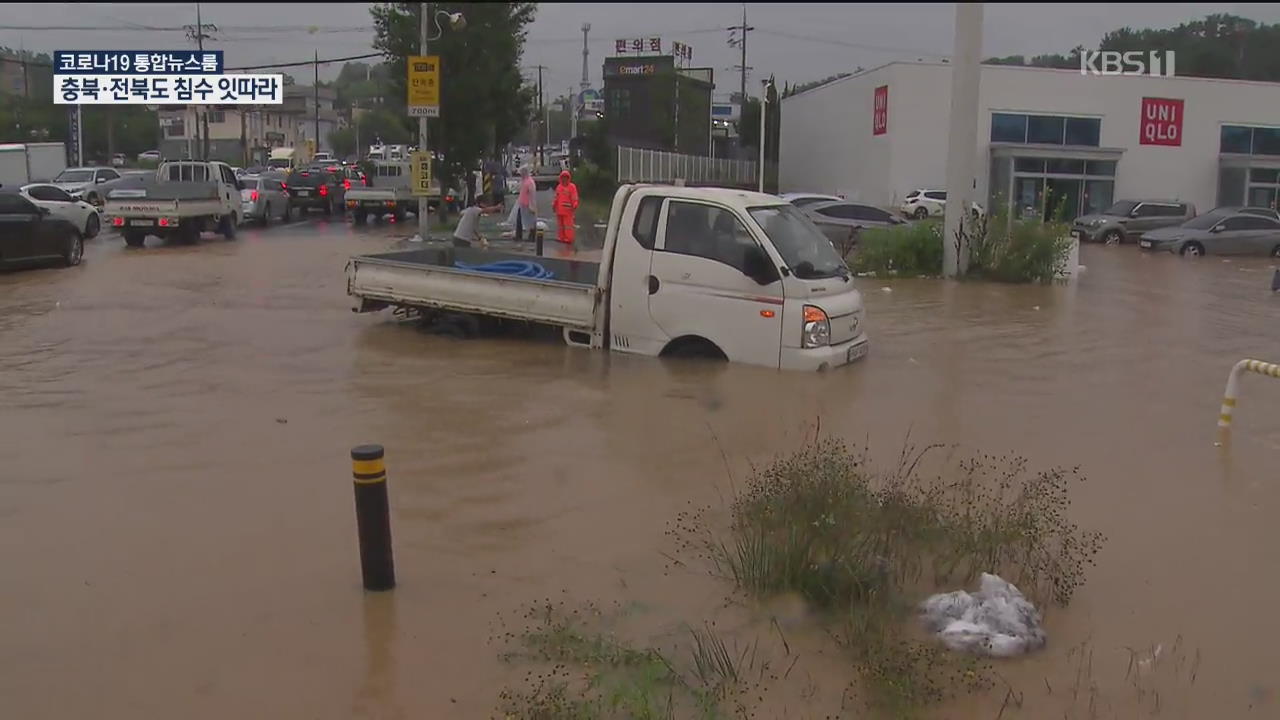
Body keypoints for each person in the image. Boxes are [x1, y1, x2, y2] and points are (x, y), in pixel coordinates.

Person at [553, 169, 579, 245]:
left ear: (568, 178)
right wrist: (553, 205)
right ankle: (561, 237)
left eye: (566, 177)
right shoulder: (559, 187)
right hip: (559, 210)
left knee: (568, 226)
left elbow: (574, 197)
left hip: (568, 210)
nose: (564, 179)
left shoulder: (572, 187)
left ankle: (569, 238)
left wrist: (575, 204)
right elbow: (556, 197)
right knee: (560, 225)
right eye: (563, 177)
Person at [514, 165, 538, 244]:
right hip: (522, 204)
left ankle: (532, 236)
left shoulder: (530, 182)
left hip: (528, 204)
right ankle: (518, 235)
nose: (521, 175)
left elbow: (532, 194)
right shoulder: (524, 181)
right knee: (519, 220)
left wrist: (532, 205)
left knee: (531, 221)